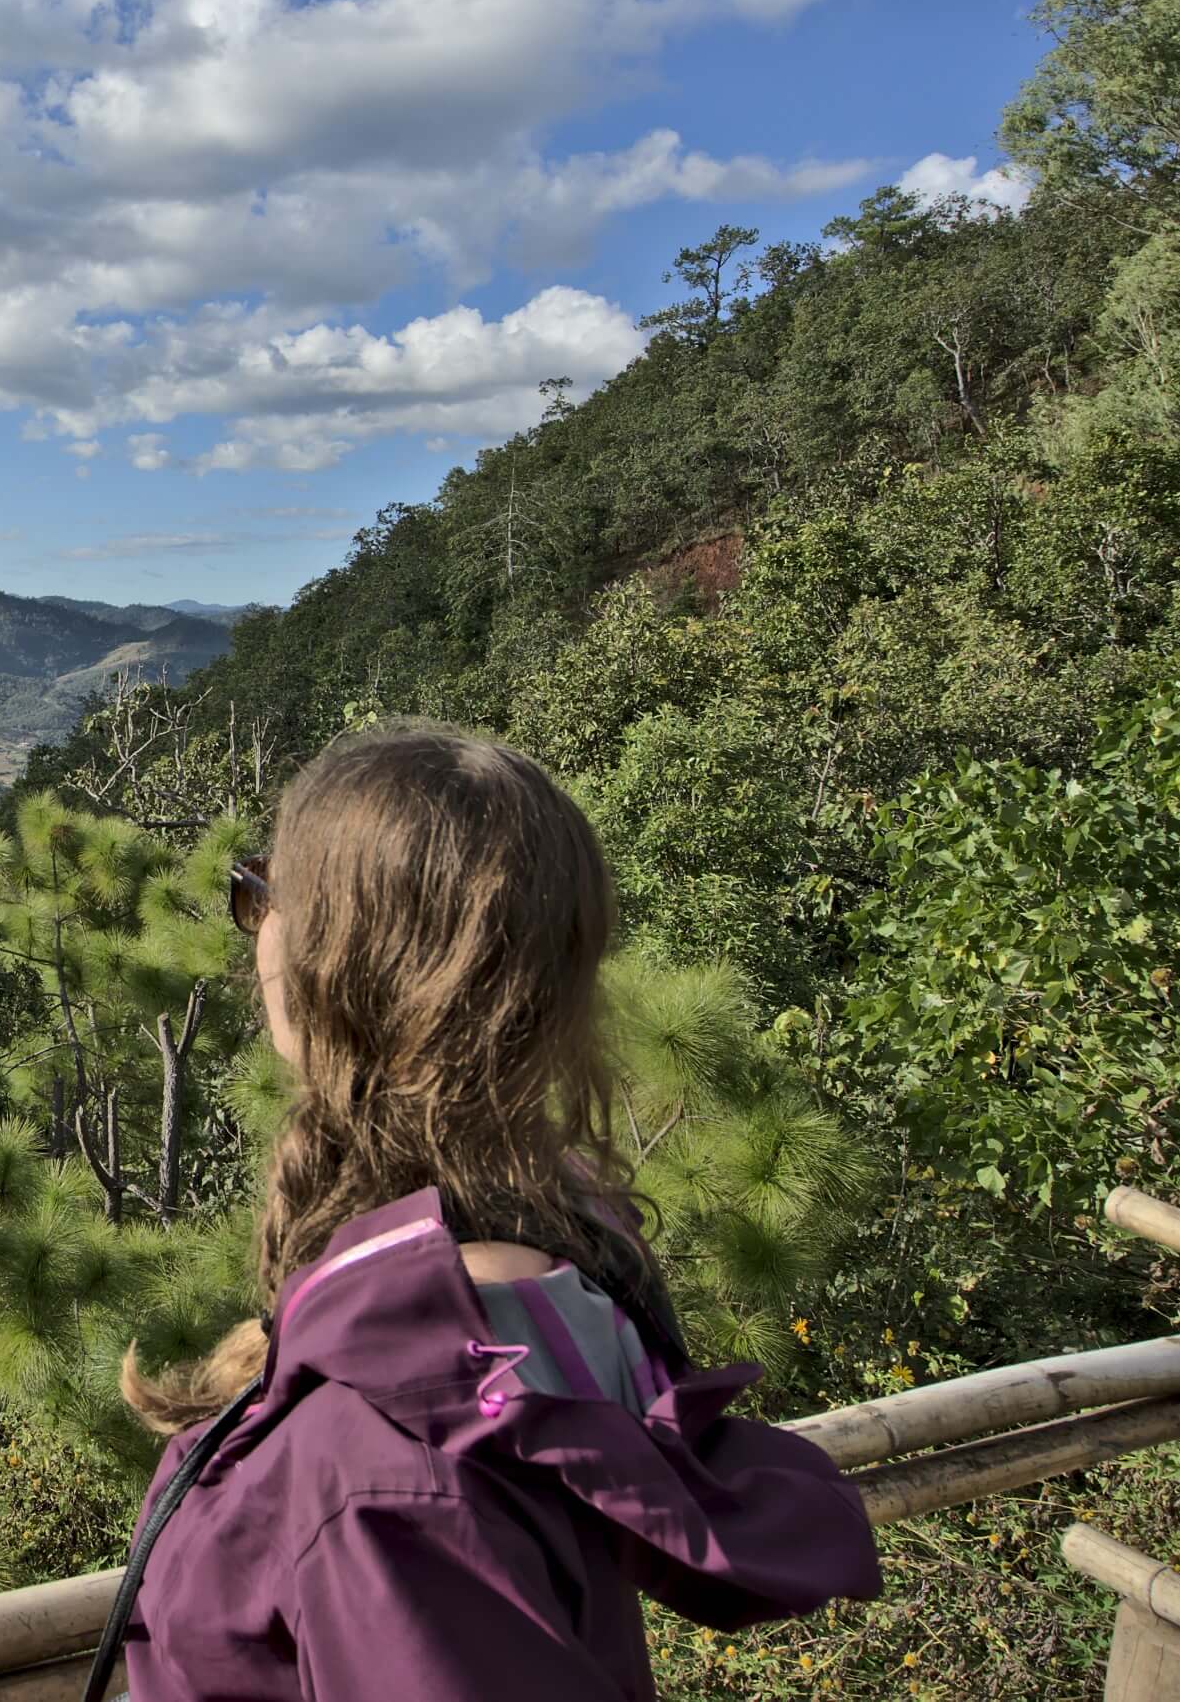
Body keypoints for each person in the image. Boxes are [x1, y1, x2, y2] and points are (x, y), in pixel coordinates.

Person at [102, 723, 879, 1701]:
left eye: (261, 886)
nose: (249, 916)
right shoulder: (519, 1298)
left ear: (352, 961)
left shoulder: (391, 1453)